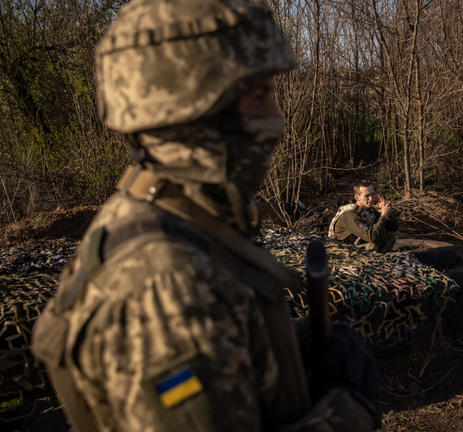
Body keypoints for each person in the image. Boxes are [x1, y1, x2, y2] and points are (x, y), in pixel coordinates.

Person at [30, 1, 379, 431]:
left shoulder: (172, 210)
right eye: (257, 96)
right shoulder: (166, 286)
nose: (277, 120)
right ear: (189, 109)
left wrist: (279, 349)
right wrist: (346, 415)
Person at [328, 181, 398, 252]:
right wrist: (383, 216)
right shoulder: (349, 214)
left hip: (359, 244)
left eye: (372, 194)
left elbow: (393, 227)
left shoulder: (369, 210)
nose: (371, 198)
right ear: (357, 197)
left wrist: (387, 213)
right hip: (342, 248)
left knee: (390, 236)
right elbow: (372, 237)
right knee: (372, 245)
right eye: (367, 196)